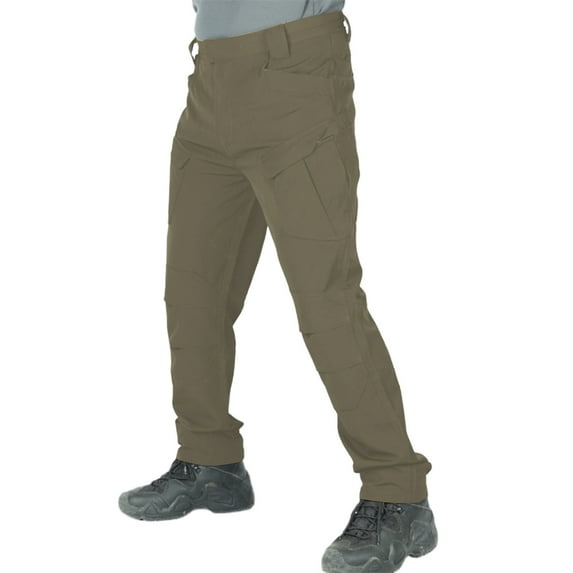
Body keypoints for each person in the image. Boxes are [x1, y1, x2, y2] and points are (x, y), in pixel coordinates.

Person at [118, 2, 438, 572]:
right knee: (193, 294)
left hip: (296, 76)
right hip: (210, 83)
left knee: (326, 302)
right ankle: (210, 459)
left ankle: (398, 494)